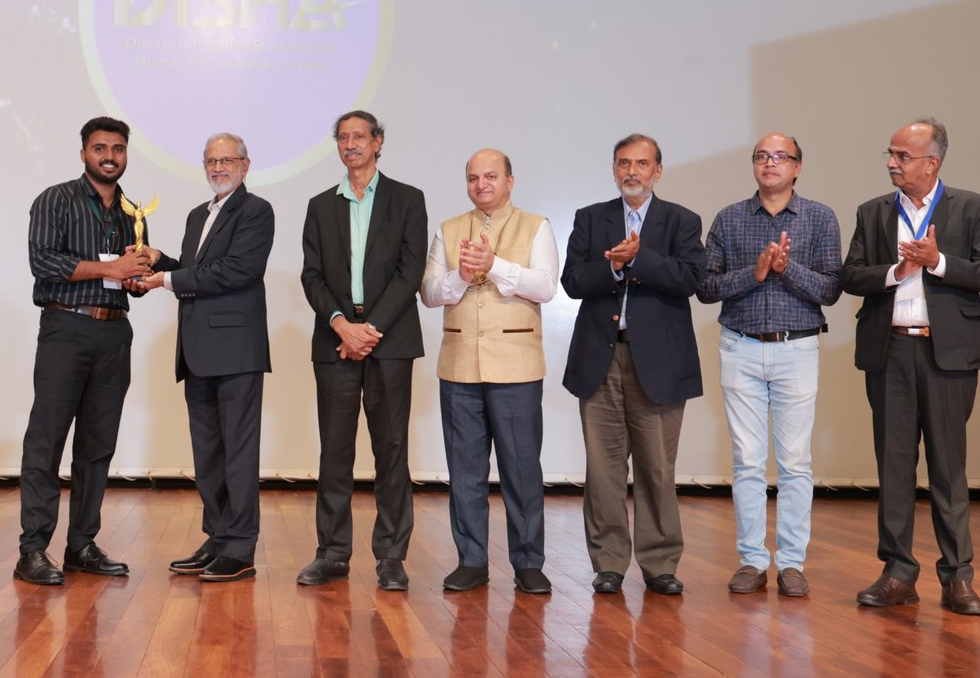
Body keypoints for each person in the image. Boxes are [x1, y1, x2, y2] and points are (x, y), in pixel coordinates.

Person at [842, 118, 980, 616]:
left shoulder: (971, 207)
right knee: (893, 467)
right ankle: (897, 573)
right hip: (889, 352)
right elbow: (851, 276)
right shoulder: (872, 212)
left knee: (949, 470)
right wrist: (897, 271)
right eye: (890, 154)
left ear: (932, 163)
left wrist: (937, 262)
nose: (892, 163)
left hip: (947, 354)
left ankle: (957, 579)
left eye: (902, 156)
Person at [17, 116, 164, 585]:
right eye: (100, 148)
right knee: (46, 441)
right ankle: (32, 550)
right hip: (66, 328)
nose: (110, 156)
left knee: (98, 445)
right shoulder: (55, 199)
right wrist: (112, 268)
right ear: (83, 152)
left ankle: (81, 544)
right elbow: (43, 261)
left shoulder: (132, 212)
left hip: (114, 332)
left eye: (118, 149)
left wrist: (137, 276)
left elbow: (129, 275)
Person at [698, 133, 841, 598]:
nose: (770, 163)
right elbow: (706, 288)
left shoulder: (820, 217)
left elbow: (831, 289)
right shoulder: (730, 218)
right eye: (762, 156)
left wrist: (786, 269)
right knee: (747, 461)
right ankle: (752, 560)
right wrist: (755, 272)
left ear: (797, 167)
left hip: (796, 349)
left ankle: (792, 563)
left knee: (796, 462)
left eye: (780, 157)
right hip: (740, 347)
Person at [562, 134, 704, 595]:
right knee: (603, 472)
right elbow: (572, 281)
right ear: (614, 169)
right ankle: (608, 563)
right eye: (623, 163)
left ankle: (660, 564)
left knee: (656, 470)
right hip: (600, 360)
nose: (632, 172)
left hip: (659, 365)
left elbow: (689, 279)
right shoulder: (591, 218)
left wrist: (639, 258)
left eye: (642, 164)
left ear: (657, 171)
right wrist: (615, 268)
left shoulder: (682, 220)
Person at [135, 133, 274, 582]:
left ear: (245, 165)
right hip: (196, 352)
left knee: (238, 453)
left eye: (227, 160)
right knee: (208, 454)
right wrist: (161, 261)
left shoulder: (256, 211)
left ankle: (240, 547)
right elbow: (196, 270)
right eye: (211, 161)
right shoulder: (199, 214)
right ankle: (217, 538)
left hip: (236, 353)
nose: (218, 167)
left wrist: (165, 281)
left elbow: (237, 270)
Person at [299, 110, 428, 591]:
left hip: (389, 341)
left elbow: (410, 272)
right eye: (343, 137)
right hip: (335, 340)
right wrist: (341, 324)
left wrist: (369, 329)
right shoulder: (319, 205)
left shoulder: (408, 199)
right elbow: (311, 276)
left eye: (359, 136)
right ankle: (332, 554)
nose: (350, 144)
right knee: (335, 451)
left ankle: (391, 557)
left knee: (391, 451)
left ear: (378, 142)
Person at [420, 148, 558, 594]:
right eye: (473, 178)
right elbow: (428, 292)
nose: (482, 185)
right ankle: (471, 560)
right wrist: (461, 275)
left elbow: (546, 286)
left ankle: (528, 562)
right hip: (459, 365)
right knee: (465, 470)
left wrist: (494, 266)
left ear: (510, 181)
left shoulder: (536, 225)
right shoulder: (448, 229)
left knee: (521, 468)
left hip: (516, 366)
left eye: (491, 176)